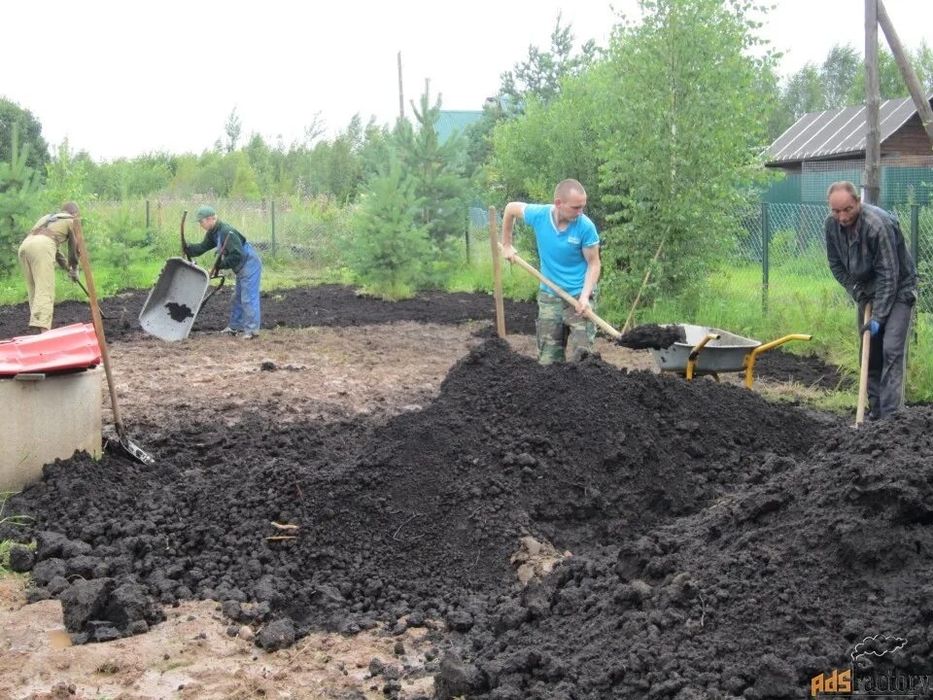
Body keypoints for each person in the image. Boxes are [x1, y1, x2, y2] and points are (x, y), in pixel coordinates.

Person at [825, 181, 917, 420]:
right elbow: (835, 264)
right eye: (836, 211)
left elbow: (889, 274)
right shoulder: (831, 226)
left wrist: (878, 318)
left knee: (891, 350)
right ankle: (876, 413)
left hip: (898, 290)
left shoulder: (878, 225)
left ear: (857, 202)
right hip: (866, 292)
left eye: (847, 209)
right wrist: (855, 289)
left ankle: (891, 419)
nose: (842, 217)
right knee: (870, 353)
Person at [501, 179, 602, 364]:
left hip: (578, 298)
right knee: (548, 362)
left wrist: (585, 297)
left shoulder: (585, 227)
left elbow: (594, 264)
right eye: (575, 207)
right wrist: (507, 245)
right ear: (558, 203)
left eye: (582, 207)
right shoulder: (539, 215)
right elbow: (510, 209)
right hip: (550, 297)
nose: (580, 212)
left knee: (585, 359)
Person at [185, 205, 263, 339]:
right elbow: (203, 247)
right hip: (240, 267)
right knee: (237, 298)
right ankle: (235, 327)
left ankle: (252, 331)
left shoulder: (226, 232)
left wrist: (219, 265)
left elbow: (236, 255)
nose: (200, 225)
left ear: (210, 219)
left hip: (249, 265)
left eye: (201, 222)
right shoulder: (213, 232)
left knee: (248, 298)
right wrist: (189, 249)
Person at [17, 202, 81, 334]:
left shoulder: (47, 218)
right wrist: (75, 269)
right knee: (45, 288)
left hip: (25, 246)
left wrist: (66, 268)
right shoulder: (71, 221)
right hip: (42, 247)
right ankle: (44, 331)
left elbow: (53, 248)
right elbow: (74, 251)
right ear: (75, 214)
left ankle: (37, 324)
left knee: (33, 287)